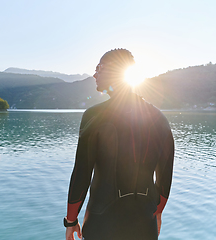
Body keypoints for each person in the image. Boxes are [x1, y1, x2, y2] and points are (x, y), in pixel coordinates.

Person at [64, 49, 174, 240]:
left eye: (99, 68)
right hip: (144, 223)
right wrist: (157, 211)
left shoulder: (94, 116)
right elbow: (165, 176)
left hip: (102, 223)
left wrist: (71, 221)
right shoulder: (159, 118)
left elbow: (82, 172)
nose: (94, 74)